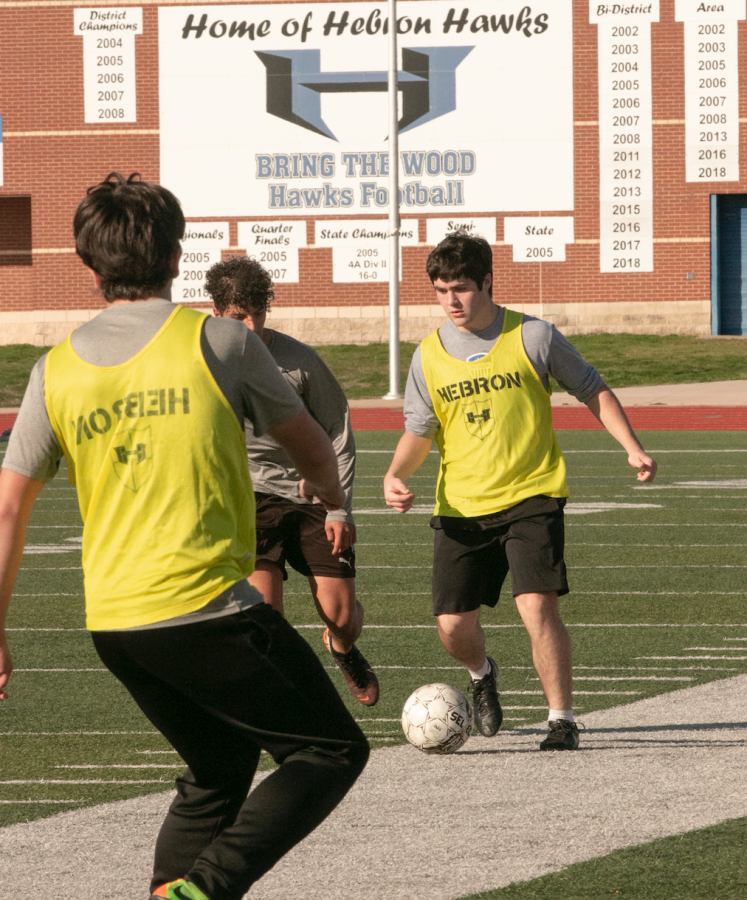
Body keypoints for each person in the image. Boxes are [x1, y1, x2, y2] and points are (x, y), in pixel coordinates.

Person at [0, 173, 369, 900]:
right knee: (329, 750)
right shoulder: (221, 340)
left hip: (116, 625)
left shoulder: (55, 371)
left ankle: (172, 892)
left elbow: (7, 510)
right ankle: (205, 890)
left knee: (217, 773)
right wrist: (328, 499)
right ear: (176, 255)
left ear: (88, 263)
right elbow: (314, 449)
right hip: (206, 613)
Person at [383, 232, 657, 751]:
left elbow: (592, 388)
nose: (451, 301)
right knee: (452, 625)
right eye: (441, 291)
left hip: (533, 495)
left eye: (461, 288)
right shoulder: (427, 355)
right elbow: (419, 430)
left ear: (487, 281)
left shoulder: (534, 336)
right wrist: (397, 473)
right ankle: (482, 673)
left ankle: (562, 719)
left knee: (537, 606)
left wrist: (632, 446)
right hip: (461, 505)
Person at [205, 256, 378, 707]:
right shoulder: (202, 362)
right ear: (217, 312)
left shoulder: (299, 361)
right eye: (239, 316)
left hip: (311, 494)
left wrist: (339, 506)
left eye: (257, 313)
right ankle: (295, 707)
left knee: (340, 615)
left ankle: (341, 647)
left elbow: (338, 430)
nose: (251, 324)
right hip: (249, 499)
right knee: (267, 618)